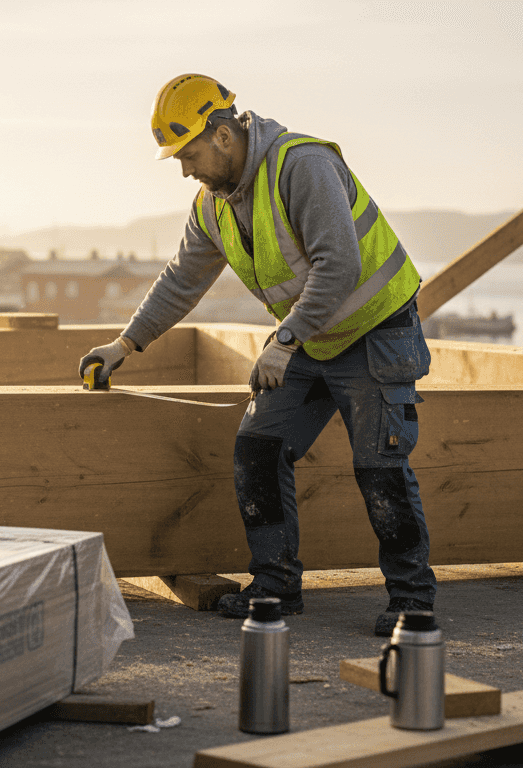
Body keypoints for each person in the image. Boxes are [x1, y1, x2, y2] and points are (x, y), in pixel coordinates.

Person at [78, 74, 435, 637]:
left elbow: (337, 264)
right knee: (258, 450)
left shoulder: (303, 165)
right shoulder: (214, 205)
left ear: (223, 136)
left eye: (189, 153)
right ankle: (274, 589)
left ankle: (413, 603)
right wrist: (126, 344)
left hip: (374, 335)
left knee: (380, 470)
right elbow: (180, 281)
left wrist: (284, 342)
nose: (185, 169)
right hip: (310, 340)